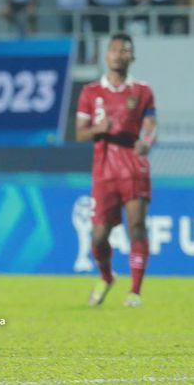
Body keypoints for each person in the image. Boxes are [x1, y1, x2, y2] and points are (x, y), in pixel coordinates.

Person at [76, 33, 156, 308]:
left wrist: (146, 143)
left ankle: (135, 291)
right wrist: (100, 129)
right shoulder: (91, 92)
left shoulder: (143, 91)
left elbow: (151, 127)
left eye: (125, 50)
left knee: (136, 227)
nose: (119, 54)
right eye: (114, 50)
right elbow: (80, 133)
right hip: (104, 171)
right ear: (106, 55)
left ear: (132, 56)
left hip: (135, 168)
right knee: (98, 236)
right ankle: (107, 276)